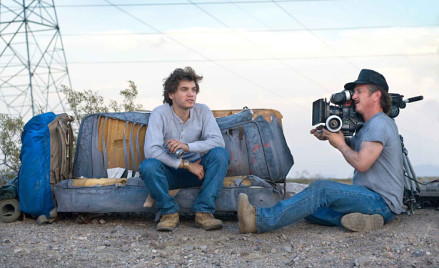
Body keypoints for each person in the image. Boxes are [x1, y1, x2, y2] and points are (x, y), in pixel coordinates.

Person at [238, 69, 404, 233]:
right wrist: (330, 135)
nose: (353, 96)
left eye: (359, 91)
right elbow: (355, 146)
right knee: (310, 209)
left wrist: (340, 144)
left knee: (320, 189)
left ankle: (258, 220)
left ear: (376, 96)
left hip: (381, 202)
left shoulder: (380, 124)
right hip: (368, 199)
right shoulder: (369, 125)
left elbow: (362, 163)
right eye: (354, 92)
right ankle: (368, 221)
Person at [139, 67, 230, 231]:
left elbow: (218, 142)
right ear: (171, 95)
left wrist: (188, 146)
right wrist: (186, 164)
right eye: (184, 90)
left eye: (194, 90)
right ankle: (169, 213)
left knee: (220, 155)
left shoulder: (203, 111)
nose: (191, 94)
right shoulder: (159, 114)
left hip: (200, 170)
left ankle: (204, 213)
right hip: (170, 173)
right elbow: (151, 151)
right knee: (148, 166)